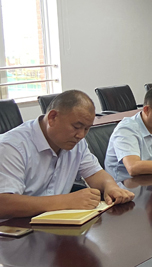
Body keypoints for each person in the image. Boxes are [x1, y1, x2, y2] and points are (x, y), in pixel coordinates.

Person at [0, 90, 135, 219]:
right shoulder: (11, 146)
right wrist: (65, 201)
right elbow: (4, 204)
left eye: (86, 129)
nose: (81, 135)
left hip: (56, 224)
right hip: (16, 230)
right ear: (52, 117)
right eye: (76, 127)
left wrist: (110, 186)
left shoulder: (76, 143)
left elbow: (95, 173)